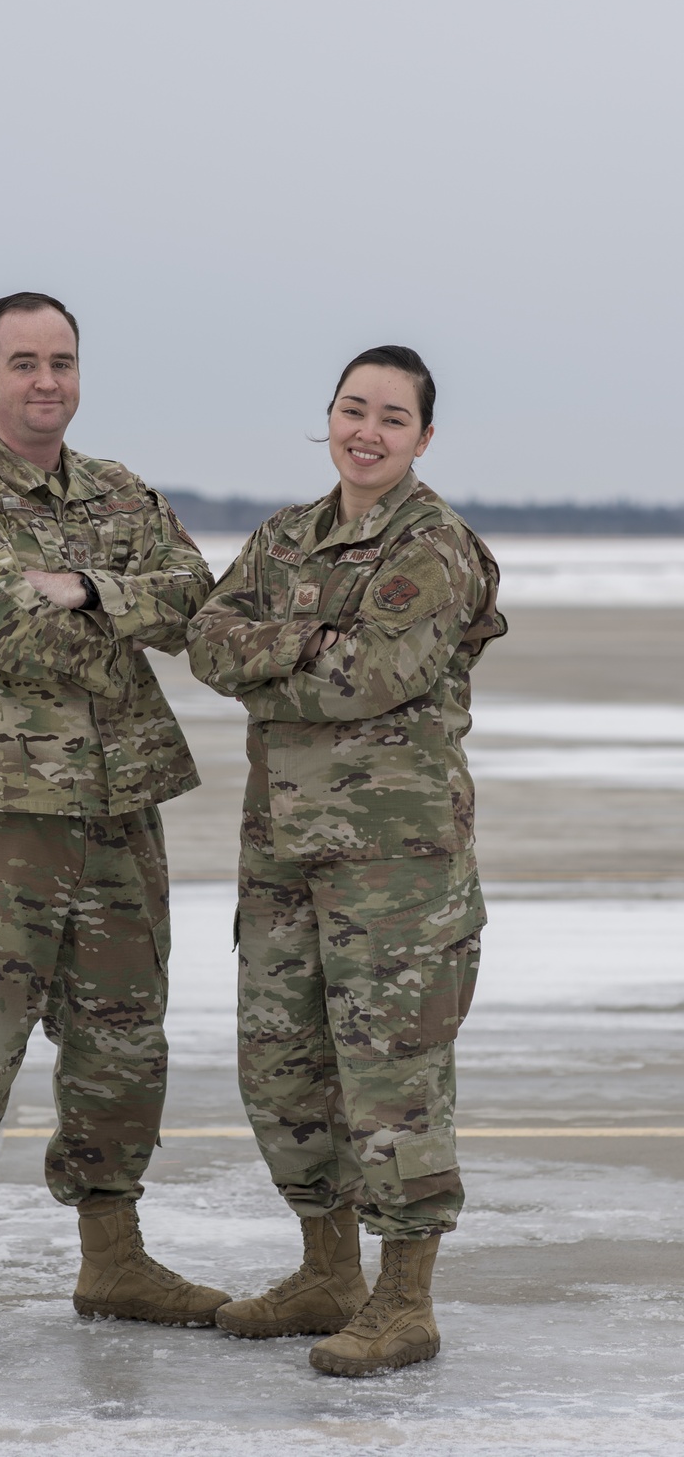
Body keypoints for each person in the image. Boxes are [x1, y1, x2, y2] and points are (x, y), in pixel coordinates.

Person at [0, 291, 230, 1365]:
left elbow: (198, 604)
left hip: (117, 810)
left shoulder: (119, 490)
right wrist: (115, 613)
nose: (47, 382)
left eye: (63, 362)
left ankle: (111, 1256)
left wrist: (83, 587)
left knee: (123, 1042)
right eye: (24, 362)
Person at [186, 346, 506, 1377]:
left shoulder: (436, 547)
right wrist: (307, 639)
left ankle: (404, 1300)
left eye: (391, 417)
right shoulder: (284, 536)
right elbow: (208, 642)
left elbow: (369, 678)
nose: (365, 431)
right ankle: (327, 1272)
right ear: (328, 416)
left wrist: (276, 651)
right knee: (282, 1070)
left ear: (421, 437)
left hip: (394, 866)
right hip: (282, 853)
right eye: (351, 409)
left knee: (393, 1080)